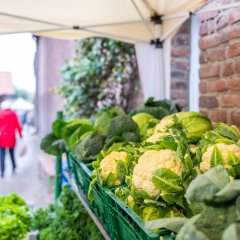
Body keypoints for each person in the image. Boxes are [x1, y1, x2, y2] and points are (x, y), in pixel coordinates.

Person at [0, 101, 22, 178]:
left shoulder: (1, 114)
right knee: (11, 153)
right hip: (11, 137)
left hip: (2, 137)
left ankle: (2, 171)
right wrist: (20, 135)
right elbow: (18, 125)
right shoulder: (13, 114)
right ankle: (14, 167)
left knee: (2, 155)